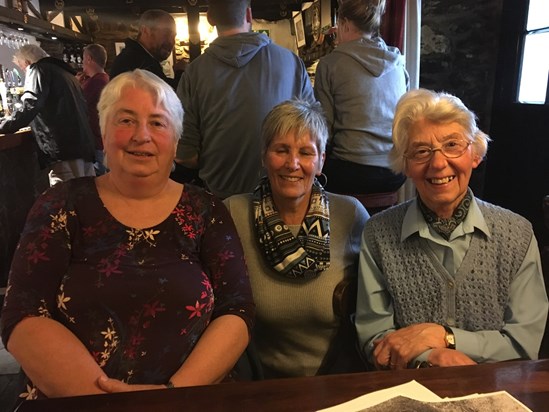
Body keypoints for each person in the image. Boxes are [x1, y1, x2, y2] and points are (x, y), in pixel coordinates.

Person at [0, 69, 255, 402]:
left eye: (158, 123)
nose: (141, 135)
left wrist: (171, 396)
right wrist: (110, 402)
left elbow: (236, 310)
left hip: (187, 401)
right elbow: (23, 313)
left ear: (175, 141)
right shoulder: (60, 205)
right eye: (126, 120)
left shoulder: (206, 210)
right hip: (75, 402)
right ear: (103, 134)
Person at [355, 88, 548, 370]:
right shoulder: (378, 235)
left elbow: (523, 343)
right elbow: (376, 341)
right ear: (405, 164)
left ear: (475, 154)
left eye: (452, 145)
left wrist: (445, 338)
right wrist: (433, 357)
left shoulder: (516, 234)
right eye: (421, 151)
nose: (438, 163)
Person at [224, 99, 369, 377]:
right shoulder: (234, 213)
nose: (293, 164)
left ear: (321, 160)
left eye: (305, 152)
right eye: (281, 150)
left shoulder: (351, 215)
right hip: (256, 384)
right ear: (264, 155)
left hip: (335, 379)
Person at [176, 0, 315, 199]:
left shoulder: (193, 73)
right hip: (281, 195)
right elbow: (314, 132)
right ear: (249, 15)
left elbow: (185, 155)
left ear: (210, 18)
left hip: (220, 199)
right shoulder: (292, 62)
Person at [314, 0, 408, 195]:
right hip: (396, 172)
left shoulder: (330, 64)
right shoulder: (398, 63)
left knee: (310, 168)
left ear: (345, 24)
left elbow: (324, 130)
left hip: (351, 172)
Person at [0, 44, 95, 186]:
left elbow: (31, 104)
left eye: (22, 67)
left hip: (63, 149)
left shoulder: (38, 69)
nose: (23, 71)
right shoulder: (67, 74)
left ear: (27, 62)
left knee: (64, 196)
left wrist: (5, 126)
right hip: (82, 146)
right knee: (87, 194)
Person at [109, 9, 177, 88]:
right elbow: (161, 95)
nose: (172, 41)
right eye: (166, 33)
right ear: (145, 30)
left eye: (174, 36)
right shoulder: (135, 62)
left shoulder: (142, 59)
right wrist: (181, 73)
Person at [79, 43, 110, 175]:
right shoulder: (104, 78)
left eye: (83, 59)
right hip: (101, 140)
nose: (82, 63)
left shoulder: (96, 82)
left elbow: (79, 104)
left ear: (89, 59)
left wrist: (77, 85)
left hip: (97, 142)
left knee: (99, 181)